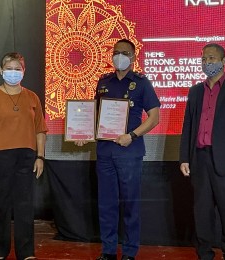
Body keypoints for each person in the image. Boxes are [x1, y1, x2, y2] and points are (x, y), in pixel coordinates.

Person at [76, 39, 160, 260]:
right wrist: (82, 133)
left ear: (133, 57)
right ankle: (109, 251)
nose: (119, 56)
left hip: (129, 153)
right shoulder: (104, 81)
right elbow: (94, 114)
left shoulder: (142, 83)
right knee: (107, 204)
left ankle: (130, 252)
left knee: (130, 205)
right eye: (116, 52)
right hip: (105, 153)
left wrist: (131, 135)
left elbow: (154, 118)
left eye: (124, 53)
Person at [179, 43, 225, 260]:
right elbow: (188, 126)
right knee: (202, 212)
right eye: (204, 59)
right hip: (199, 159)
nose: (207, 62)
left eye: (212, 58)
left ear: (224, 61)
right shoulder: (195, 92)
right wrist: (184, 157)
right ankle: (205, 254)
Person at [0, 52, 48, 260]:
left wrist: (40, 156)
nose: (13, 72)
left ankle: (26, 252)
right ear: (1, 71)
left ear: (24, 72)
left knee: (25, 204)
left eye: (18, 69)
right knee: (1, 204)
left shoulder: (32, 97)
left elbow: (40, 130)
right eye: (9, 68)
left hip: (26, 155)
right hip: (0, 155)